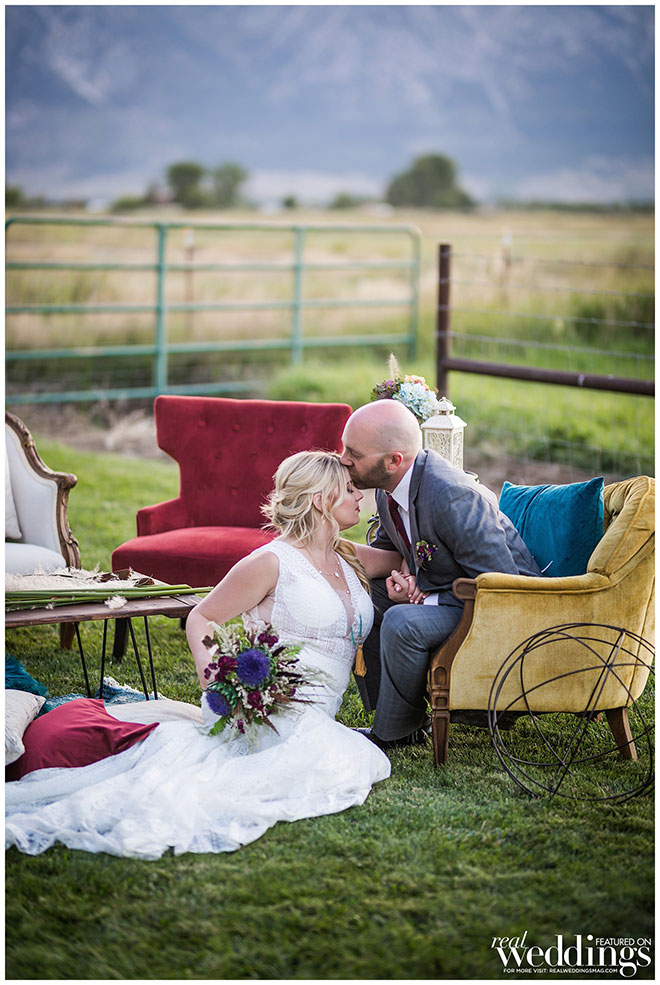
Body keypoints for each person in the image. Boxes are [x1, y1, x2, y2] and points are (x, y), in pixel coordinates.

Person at [6, 451, 411, 860]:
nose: (359, 496)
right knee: (340, 761)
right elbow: (203, 616)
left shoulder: (348, 556)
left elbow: (405, 562)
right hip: (271, 708)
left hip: (320, 711)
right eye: (349, 489)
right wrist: (217, 678)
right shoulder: (271, 562)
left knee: (342, 759)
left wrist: (404, 585)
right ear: (320, 500)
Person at [339, 399, 542, 751]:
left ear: (393, 461)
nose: (343, 459)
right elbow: (392, 552)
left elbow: (502, 586)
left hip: (505, 609)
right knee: (363, 594)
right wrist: (402, 575)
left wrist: (427, 595)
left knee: (402, 621)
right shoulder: (391, 490)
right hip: (458, 594)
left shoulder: (452, 497)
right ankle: (398, 718)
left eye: (353, 454)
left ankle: (392, 734)